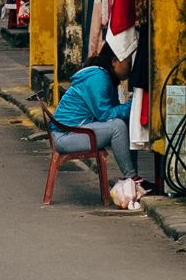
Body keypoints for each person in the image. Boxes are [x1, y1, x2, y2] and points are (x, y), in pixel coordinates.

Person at [50, 40, 140, 208]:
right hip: (66, 136)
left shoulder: (103, 77)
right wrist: (134, 104)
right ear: (114, 61)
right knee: (118, 127)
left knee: (122, 124)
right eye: (128, 63)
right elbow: (105, 115)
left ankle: (133, 177)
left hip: (73, 132)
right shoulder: (99, 78)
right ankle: (132, 179)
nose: (130, 67)